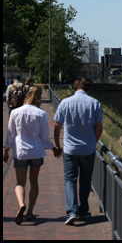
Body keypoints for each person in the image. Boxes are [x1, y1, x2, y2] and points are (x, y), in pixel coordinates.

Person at [3, 86, 62, 225]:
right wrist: (53, 147)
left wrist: (6, 151)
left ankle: (21, 204)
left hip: (21, 152)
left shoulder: (16, 112)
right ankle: (29, 212)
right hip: (36, 152)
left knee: (20, 182)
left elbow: (11, 134)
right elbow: (44, 137)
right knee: (34, 181)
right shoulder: (41, 114)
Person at [53, 78, 103, 225]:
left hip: (70, 149)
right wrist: (94, 141)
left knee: (70, 180)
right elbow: (99, 127)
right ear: (88, 89)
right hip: (88, 149)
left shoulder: (65, 102)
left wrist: (56, 144)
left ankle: (72, 212)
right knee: (86, 181)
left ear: (75, 88)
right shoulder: (94, 103)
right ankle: (83, 210)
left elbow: (57, 125)